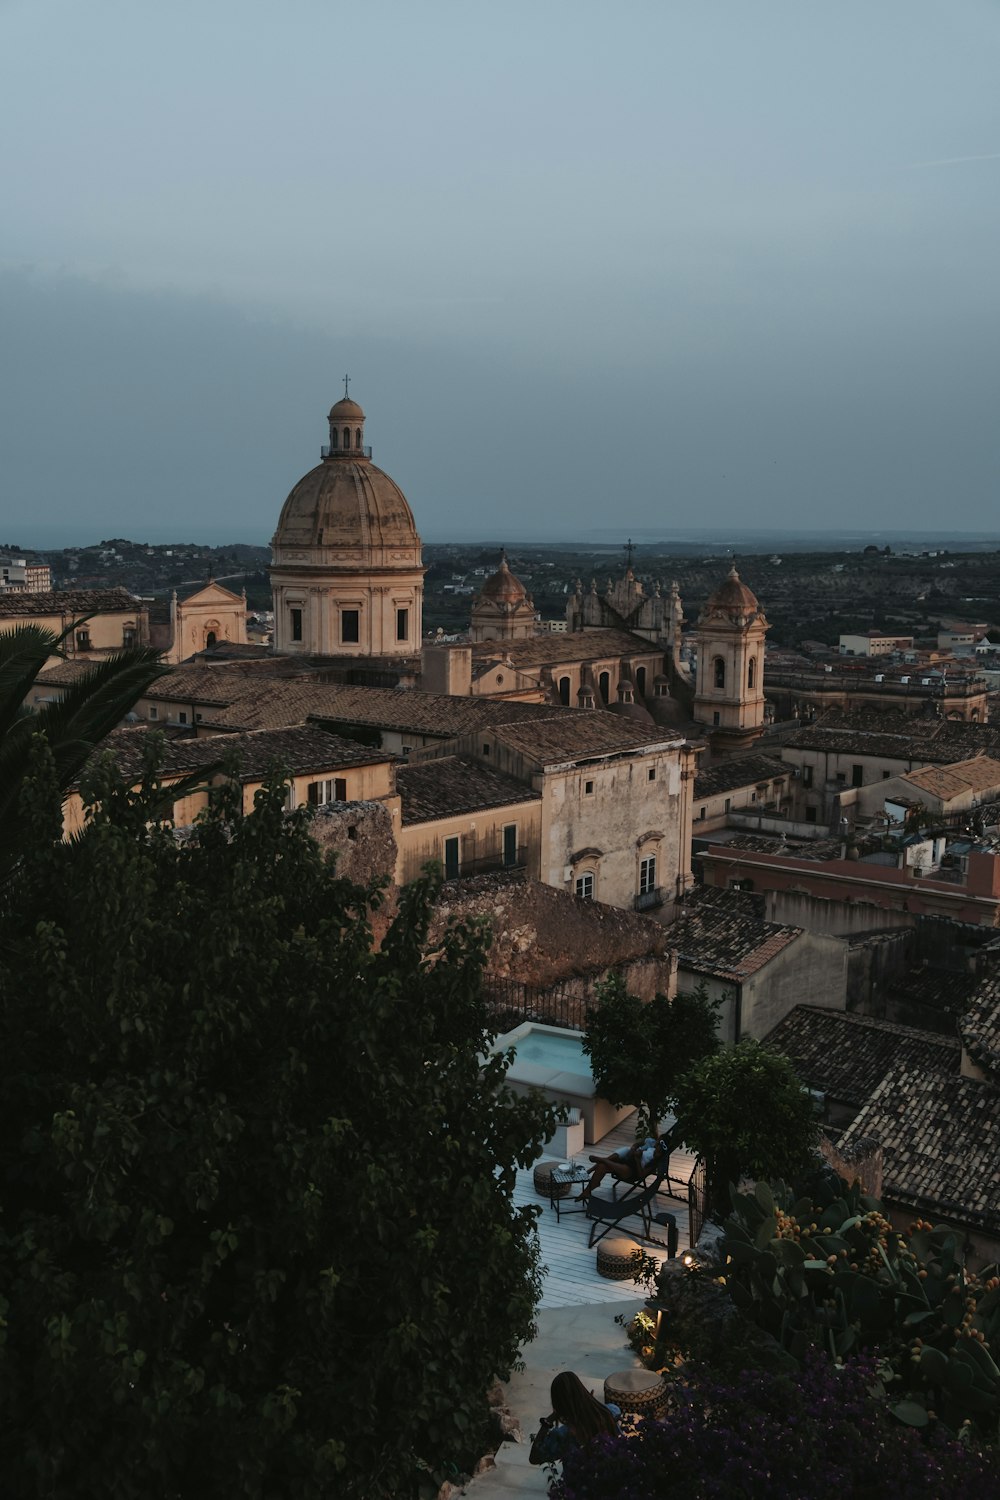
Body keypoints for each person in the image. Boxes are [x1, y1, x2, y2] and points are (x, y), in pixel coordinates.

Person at [528, 1371, 620, 1466]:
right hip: (612, 1473)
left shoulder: (562, 1436)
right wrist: (589, 1403)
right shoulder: (609, 1413)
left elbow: (534, 1458)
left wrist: (547, 1422)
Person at [580, 1134, 662, 1201]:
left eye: (658, 1152)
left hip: (632, 1171)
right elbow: (637, 1145)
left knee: (612, 1165)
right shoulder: (651, 1147)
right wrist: (634, 1150)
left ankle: (601, 1159)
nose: (656, 1151)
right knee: (602, 1167)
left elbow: (641, 1174)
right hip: (628, 1159)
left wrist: (637, 1159)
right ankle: (587, 1192)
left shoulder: (654, 1163)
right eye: (657, 1146)